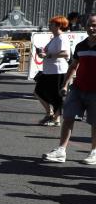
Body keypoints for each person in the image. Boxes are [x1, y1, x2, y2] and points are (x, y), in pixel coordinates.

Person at [42, 14, 96, 165]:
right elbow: (73, 66)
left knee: (95, 122)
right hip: (78, 88)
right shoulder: (81, 46)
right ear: (85, 27)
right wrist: (65, 84)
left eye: (95, 25)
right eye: (89, 25)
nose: (92, 28)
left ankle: (94, 152)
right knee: (68, 118)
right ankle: (61, 150)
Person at [34, 15, 70, 126]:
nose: (49, 25)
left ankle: (56, 120)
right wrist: (42, 53)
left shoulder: (61, 38)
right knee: (38, 91)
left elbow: (65, 53)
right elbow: (47, 54)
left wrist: (48, 55)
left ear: (58, 26)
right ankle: (49, 114)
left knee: (55, 96)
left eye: (52, 24)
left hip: (58, 71)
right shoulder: (54, 38)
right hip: (49, 71)